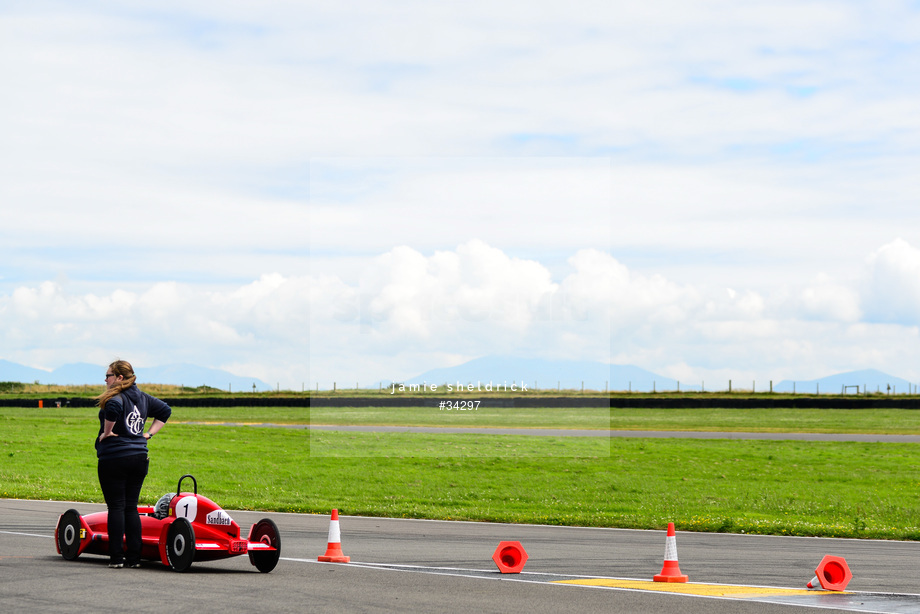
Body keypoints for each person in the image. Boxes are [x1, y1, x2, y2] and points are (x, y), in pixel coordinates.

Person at [95, 360, 171, 569]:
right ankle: (134, 558)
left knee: (116, 507)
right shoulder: (143, 397)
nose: (106, 379)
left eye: (109, 375)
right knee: (131, 507)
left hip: (115, 457)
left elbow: (113, 407)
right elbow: (165, 411)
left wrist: (108, 432)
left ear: (120, 377)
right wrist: (148, 434)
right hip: (139, 457)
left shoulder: (116, 397)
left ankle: (117, 558)